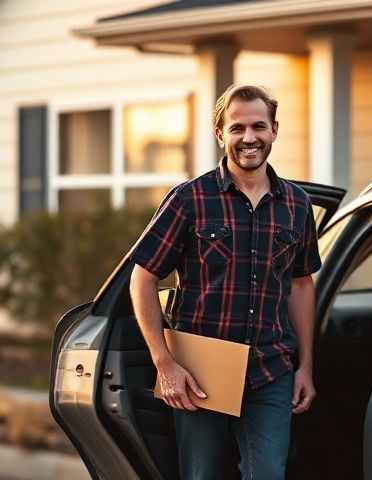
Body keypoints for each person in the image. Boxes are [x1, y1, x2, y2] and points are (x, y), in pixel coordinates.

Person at [129, 84, 320, 480]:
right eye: (237, 128)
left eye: (258, 126)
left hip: (271, 369)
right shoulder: (190, 199)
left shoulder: (298, 205)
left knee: (268, 473)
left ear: (274, 130)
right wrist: (165, 363)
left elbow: (301, 285)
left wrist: (305, 367)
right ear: (220, 134)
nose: (249, 138)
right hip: (201, 371)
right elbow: (142, 278)